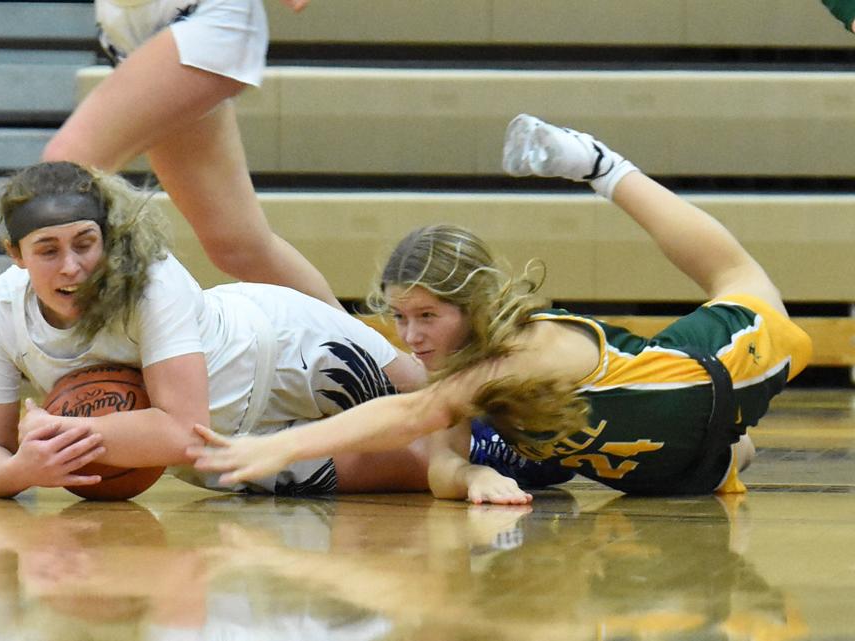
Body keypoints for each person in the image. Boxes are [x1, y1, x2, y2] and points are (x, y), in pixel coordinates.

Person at [188, 114, 814, 504]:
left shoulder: (520, 349)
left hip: (707, 374)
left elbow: (411, 414)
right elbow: (440, 462)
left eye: (428, 316)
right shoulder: (456, 374)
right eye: (402, 318)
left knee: (740, 278)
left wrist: (282, 448)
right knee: (732, 456)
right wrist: (470, 478)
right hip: (667, 469)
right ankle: (732, 449)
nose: (411, 337)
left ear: (473, 304)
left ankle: (601, 166)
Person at [0, 160, 429, 499]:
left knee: (444, 403)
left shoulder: (150, 279)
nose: (72, 267)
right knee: (429, 472)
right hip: (224, 453)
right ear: (15, 253)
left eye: (86, 244)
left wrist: (65, 431)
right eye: (48, 251)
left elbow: (182, 429)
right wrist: (22, 469)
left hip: (290, 348)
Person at [0, 0, 340, 309]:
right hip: (135, 34)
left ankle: (82, 357)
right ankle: (386, 372)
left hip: (208, 18)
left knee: (64, 167)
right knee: (238, 246)